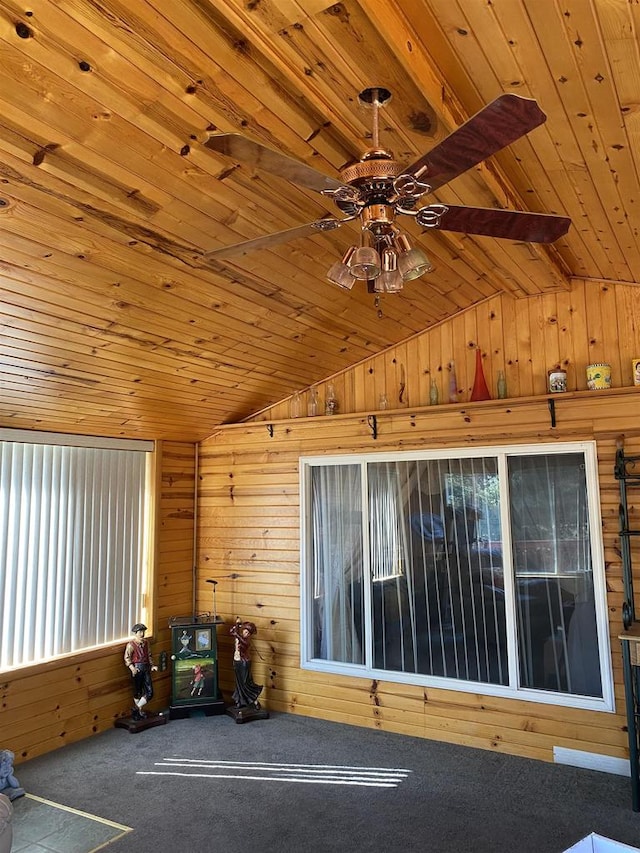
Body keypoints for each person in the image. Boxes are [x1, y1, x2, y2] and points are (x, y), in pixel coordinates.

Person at [124, 623, 157, 720]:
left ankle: (136, 708)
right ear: (135, 633)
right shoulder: (131, 645)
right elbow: (127, 658)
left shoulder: (146, 643)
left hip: (145, 668)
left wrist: (152, 665)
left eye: (143, 632)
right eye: (140, 632)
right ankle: (139, 712)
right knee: (137, 691)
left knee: (149, 692)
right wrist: (132, 668)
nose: (142, 634)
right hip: (137, 669)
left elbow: (149, 655)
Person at [230, 618, 263, 709]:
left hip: (244, 662)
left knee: (245, 682)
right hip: (237, 660)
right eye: (245, 632)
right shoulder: (239, 635)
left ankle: (254, 700)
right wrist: (237, 624)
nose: (246, 634)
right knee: (238, 682)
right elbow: (232, 632)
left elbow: (243, 642)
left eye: (248, 633)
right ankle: (239, 701)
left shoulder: (246, 641)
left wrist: (236, 634)